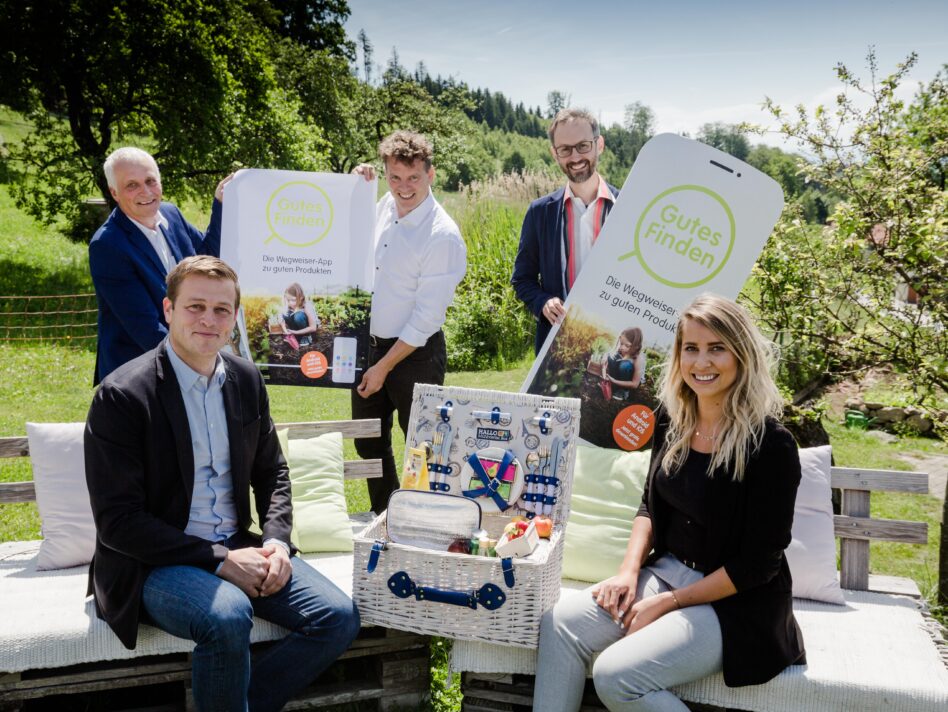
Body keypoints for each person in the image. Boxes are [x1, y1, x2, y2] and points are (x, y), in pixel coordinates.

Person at [84, 256, 360, 712]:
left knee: (337, 617)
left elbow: (272, 472)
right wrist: (221, 560)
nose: (209, 320)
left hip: (237, 544)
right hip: (152, 563)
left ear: (234, 318)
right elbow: (119, 523)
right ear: (168, 309)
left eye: (221, 310)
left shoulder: (246, 379)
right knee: (229, 615)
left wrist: (276, 544)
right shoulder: (123, 396)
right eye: (195, 307)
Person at [534, 293, 805, 711]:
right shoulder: (672, 420)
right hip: (665, 573)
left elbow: (758, 564)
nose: (702, 362)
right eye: (691, 349)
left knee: (616, 676)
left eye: (717, 348)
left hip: (736, 603)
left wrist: (668, 602)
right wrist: (628, 573)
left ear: (742, 354)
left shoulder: (770, 444)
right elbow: (648, 505)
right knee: (560, 625)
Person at [352, 130, 467, 513]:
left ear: (430, 174)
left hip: (416, 353)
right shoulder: (385, 204)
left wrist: (383, 368)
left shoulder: (442, 235)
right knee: (367, 439)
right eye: (395, 177)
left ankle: (424, 523)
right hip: (369, 347)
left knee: (423, 447)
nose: (404, 188)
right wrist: (358, 185)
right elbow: (349, 229)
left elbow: (425, 319)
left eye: (413, 178)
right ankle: (384, 518)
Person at [89, 146, 233, 384]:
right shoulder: (108, 245)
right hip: (135, 375)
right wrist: (200, 362)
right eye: (131, 185)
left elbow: (208, 260)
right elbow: (145, 327)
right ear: (114, 193)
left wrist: (220, 204)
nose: (145, 192)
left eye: (150, 181)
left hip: (182, 359)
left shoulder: (171, 214)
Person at [512, 108, 619, 354]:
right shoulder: (540, 212)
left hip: (615, 343)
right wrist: (543, 301)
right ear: (554, 154)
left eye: (583, 146)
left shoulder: (628, 209)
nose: (575, 157)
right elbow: (522, 279)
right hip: (557, 348)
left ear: (599, 145)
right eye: (565, 149)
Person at [601, 327, 646, 401]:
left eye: (627, 345)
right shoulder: (621, 349)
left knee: (625, 365)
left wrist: (614, 381)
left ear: (636, 346)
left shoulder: (638, 359)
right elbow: (610, 353)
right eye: (621, 343)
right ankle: (611, 384)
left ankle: (623, 391)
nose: (622, 347)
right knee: (611, 357)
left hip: (630, 381)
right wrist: (605, 357)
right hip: (618, 377)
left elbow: (635, 384)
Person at [279, 282, 320, 347]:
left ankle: (306, 337)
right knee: (285, 314)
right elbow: (281, 320)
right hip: (297, 329)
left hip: (309, 328)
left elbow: (313, 327)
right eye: (288, 300)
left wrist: (295, 332)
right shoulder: (289, 305)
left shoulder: (306, 306)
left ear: (301, 298)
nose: (290, 303)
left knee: (298, 316)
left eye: (293, 300)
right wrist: (286, 331)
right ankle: (295, 337)